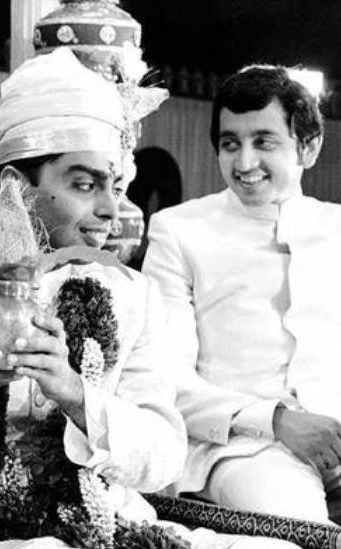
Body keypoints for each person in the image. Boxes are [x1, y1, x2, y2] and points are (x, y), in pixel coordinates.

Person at [0, 48, 294, 549]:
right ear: (17, 186)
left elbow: (163, 459)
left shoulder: (130, 297)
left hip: (110, 529)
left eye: (115, 186)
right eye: (86, 184)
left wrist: (73, 393)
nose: (111, 208)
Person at [143, 65, 341, 524]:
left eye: (264, 142)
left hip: (335, 438)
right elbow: (163, 380)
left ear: (308, 147)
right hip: (241, 448)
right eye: (231, 144)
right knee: (301, 532)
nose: (245, 163)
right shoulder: (179, 231)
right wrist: (276, 420)